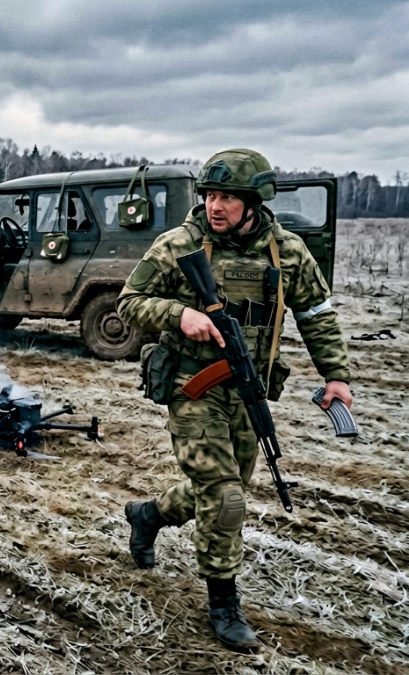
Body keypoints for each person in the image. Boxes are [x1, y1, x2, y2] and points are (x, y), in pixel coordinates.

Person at [117, 148, 352, 653]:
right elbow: (129, 302)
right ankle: (223, 603)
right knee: (225, 497)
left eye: (227, 197)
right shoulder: (178, 244)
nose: (215, 205)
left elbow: (316, 315)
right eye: (209, 195)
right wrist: (179, 315)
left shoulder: (288, 252)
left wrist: (335, 375)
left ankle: (148, 515)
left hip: (249, 389)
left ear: (254, 201)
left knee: (224, 490)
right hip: (191, 386)